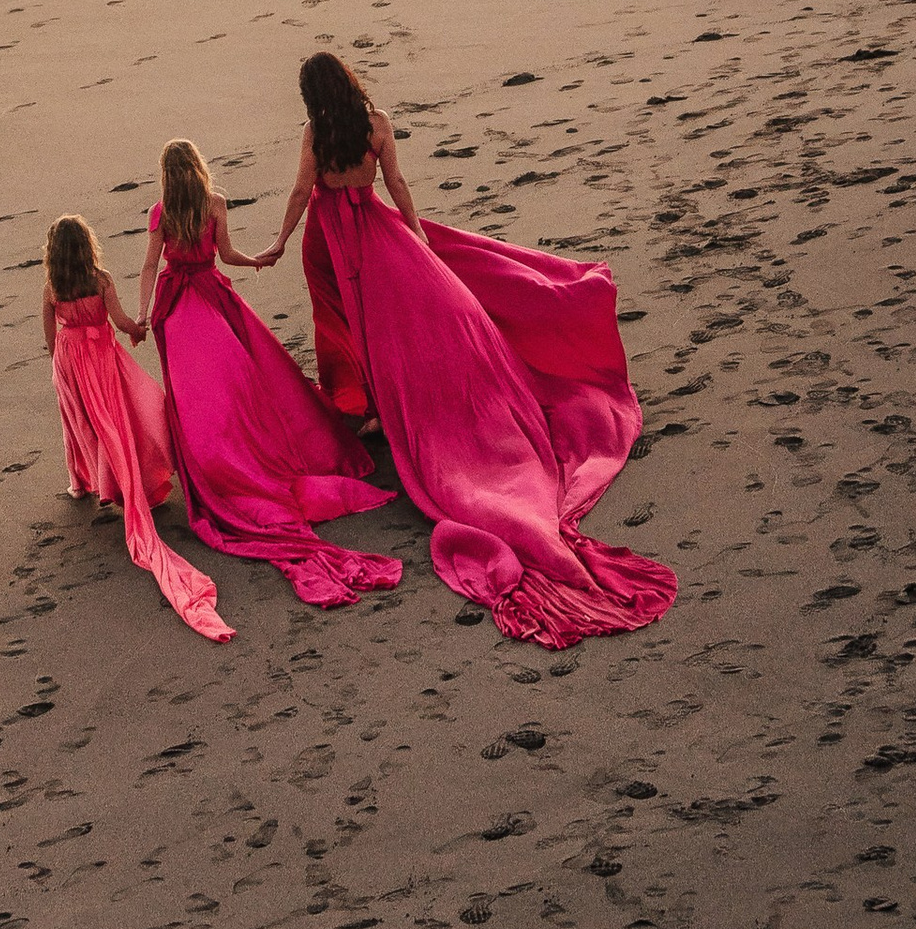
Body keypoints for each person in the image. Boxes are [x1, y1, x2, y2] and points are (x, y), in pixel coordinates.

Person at [278, 53, 675, 651]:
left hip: (329, 240)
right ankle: (377, 407)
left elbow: (304, 189)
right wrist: (416, 238)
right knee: (399, 326)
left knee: (343, 325)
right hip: (379, 233)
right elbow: (397, 187)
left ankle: (364, 408)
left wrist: (278, 243)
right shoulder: (376, 122)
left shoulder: (315, 133)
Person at [138, 136, 402, 611]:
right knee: (241, 377)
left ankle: (211, 464)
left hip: (177, 308)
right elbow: (227, 255)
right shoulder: (214, 203)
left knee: (192, 392)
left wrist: (141, 313)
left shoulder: (161, 213)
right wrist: (259, 259)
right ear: (198, 168)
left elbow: (149, 265)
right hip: (212, 299)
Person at [39, 214, 230, 643]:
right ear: (88, 246)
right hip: (103, 361)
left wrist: (60, 364)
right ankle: (127, 478)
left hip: (71, 362)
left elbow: (50, 335)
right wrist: (138, 331)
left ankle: (82, 482)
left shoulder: (52, 288)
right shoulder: (101, 278)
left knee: (82, 425)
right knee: (123, 418)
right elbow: (121, 320)